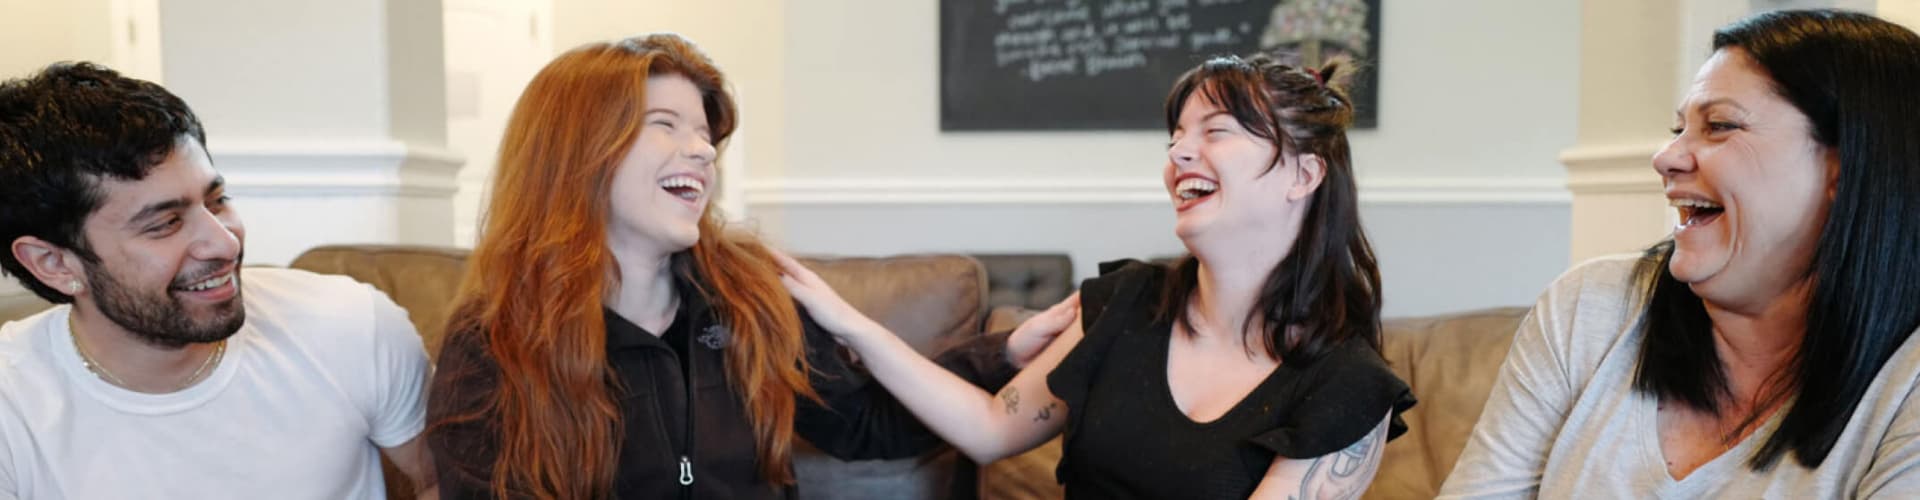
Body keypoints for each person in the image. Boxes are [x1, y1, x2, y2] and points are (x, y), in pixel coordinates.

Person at [424, 33, 1068, 499]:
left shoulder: (750, 297)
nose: (702, 151)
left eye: (705, 133)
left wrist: (1002, 354)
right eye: (665, 124)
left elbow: (867, 425)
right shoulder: (495, 338)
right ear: (577, 154)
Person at [779, 52, 1415, 499]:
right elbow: (990, 427)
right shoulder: (1128, 303)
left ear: (1305, 176)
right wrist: (848, 324)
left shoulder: (1351, 391)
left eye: (1215, 131)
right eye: (1175, 136)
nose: (1178, 153)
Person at [1438, 9, 1920, 498]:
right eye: (1678, 131)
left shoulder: (1907, 381)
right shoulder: (1591, 308)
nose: (1664, 158)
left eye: (1720, 126)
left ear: (1844, 168)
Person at [0, 63, 436, 498]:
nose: (224, 243)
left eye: (217, 200)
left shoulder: (351, 324)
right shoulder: (13, 405)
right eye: (166, 224)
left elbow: (445, 482)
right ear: (53, 263)